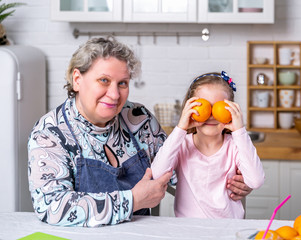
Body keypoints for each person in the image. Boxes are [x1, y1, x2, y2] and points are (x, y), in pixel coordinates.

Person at [27, 37, 250, 227]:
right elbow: (52, 206)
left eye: (122, 83)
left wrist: (231, 180)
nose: (114, 94)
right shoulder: (51, 134)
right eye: (104, 80)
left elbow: (176, 172)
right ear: (77, 79)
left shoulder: (138, 118)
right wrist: (132, 200)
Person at [151, 71, 265, 218]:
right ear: (190, 109)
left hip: (228, 230)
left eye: (218, 107)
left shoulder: (235, 146)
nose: (211, 115)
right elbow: (158, 173)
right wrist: (181, 128)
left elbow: (256, 181)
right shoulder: (183, 145)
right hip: (190, 231)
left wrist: (239, 131)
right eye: (205, 106)